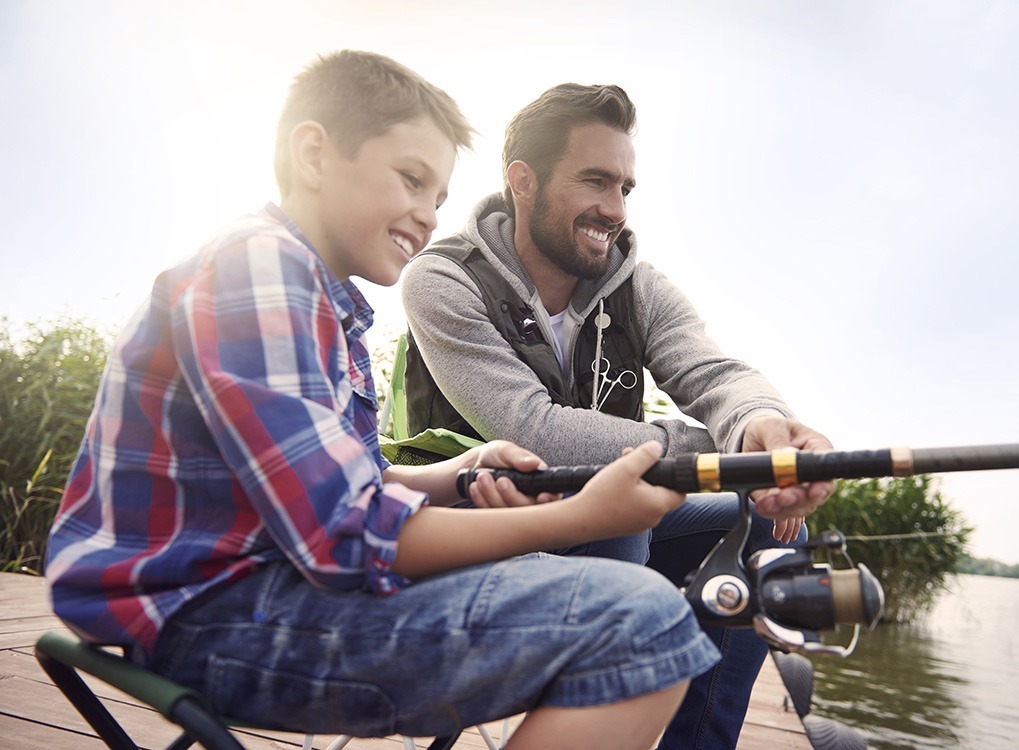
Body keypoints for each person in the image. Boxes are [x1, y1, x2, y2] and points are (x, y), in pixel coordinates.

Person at [44, 52, 722, 750]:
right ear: (313, 153)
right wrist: (579, 517)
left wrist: (459, 473)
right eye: (410, 179)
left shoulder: (318, 298)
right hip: (214, 619)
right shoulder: (260, 269)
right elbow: (345, 536)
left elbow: (346, 487)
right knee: (642, 624)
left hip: (258, 596)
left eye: (438, 196)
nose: (428, 216)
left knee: (634, 612)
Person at [401, 82, 835, 749]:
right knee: (622, 511)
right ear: (523, 181)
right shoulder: (440, 279)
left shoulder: (640, 285)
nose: (614, 209)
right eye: (595, 182)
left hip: (597, 512)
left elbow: (712, 372)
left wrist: (760, 426)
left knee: (770, 533)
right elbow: (531, 428)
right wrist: (701, 450)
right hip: (469, 519)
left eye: (625, 188)